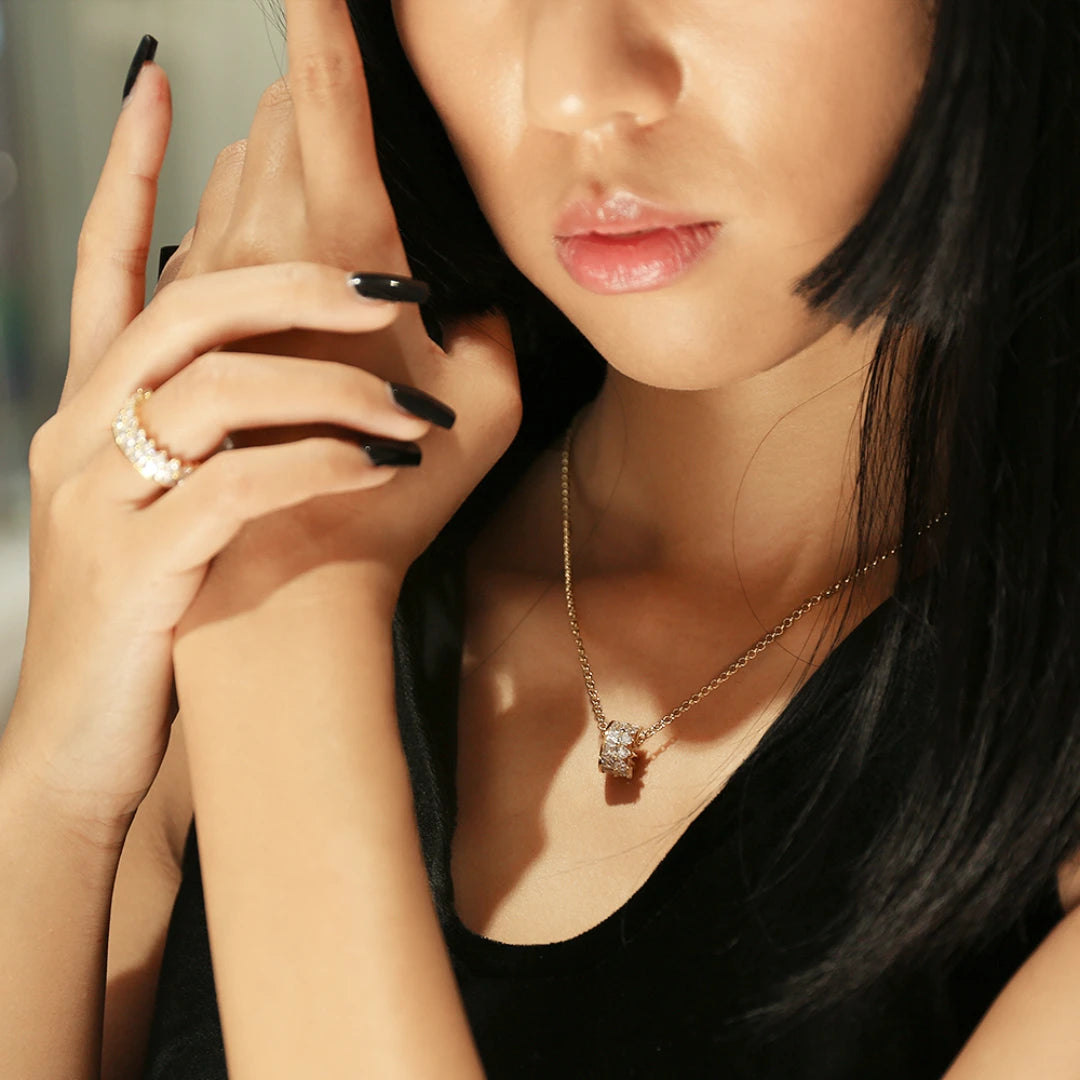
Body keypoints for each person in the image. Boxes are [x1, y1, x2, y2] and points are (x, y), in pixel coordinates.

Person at [1, 0, 1077, 1076]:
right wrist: (58, 783)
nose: (574, 88)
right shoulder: (218, 589)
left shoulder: (268, 605)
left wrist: (284, 610)